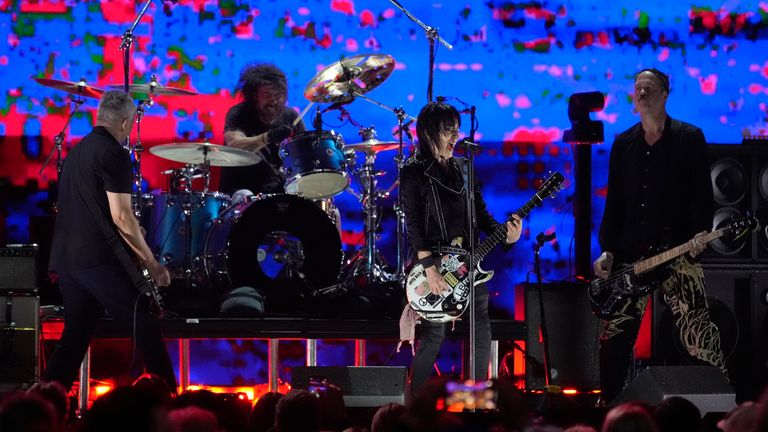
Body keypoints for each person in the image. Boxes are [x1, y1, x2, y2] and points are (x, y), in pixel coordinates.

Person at [593, 68, 726, 404]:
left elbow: (701, 195)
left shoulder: (689, 138)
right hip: (631, 258)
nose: (642, 94)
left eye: (649, 88)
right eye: (637, 88)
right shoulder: (623, 144)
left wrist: (698, 238)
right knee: (615, 338)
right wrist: (607, 249)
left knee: (697, 328)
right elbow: (615, 203)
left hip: (676, 251)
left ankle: (720, 403)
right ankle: (610, 407)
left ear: (665, 94)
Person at [45, 90, 177, 392]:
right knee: (144, 325)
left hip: (67, 261)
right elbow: (122, 217)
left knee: (74, 339)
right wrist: (152, 264)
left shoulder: (77, 151)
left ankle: (45, 402)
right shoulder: (114, 153)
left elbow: (94, 209)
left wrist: (131, 233)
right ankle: (168, 404)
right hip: (97, 260)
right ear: (126, 122)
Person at [400, 101, 522, 395]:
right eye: (447, 131)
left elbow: (481, 215)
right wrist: (430, 269)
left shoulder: (465, 168)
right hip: (433, 264)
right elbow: (414, 225)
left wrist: (505, 235)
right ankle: (413, 404)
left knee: (481, 330)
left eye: (456, 130)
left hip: (468, 263)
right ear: (429, 133)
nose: (455, 137)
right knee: (434, 334)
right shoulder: (413, 173)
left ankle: (476, 398)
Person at [219, 63, 306, 197]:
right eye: (267, 94)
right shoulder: (238, 113)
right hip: (243, 189)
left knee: (331, 211)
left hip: (281, 190)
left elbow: (305, 156)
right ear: (254, 96)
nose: (274, 101)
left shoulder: (291, 117)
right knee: (244, 195)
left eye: (278, 95)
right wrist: (268, 137)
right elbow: (234, 147)